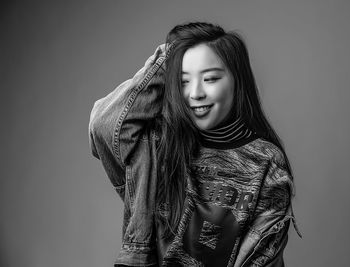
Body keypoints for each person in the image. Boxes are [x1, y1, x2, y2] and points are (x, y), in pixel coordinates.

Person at [89, 22, 301, 267]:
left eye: (210, 78)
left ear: (237, 80)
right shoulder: (161, 148)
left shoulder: (266, 161)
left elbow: (260, 256)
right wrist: (168, 56)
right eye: (183, 81)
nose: (195, 93)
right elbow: (103, 124)